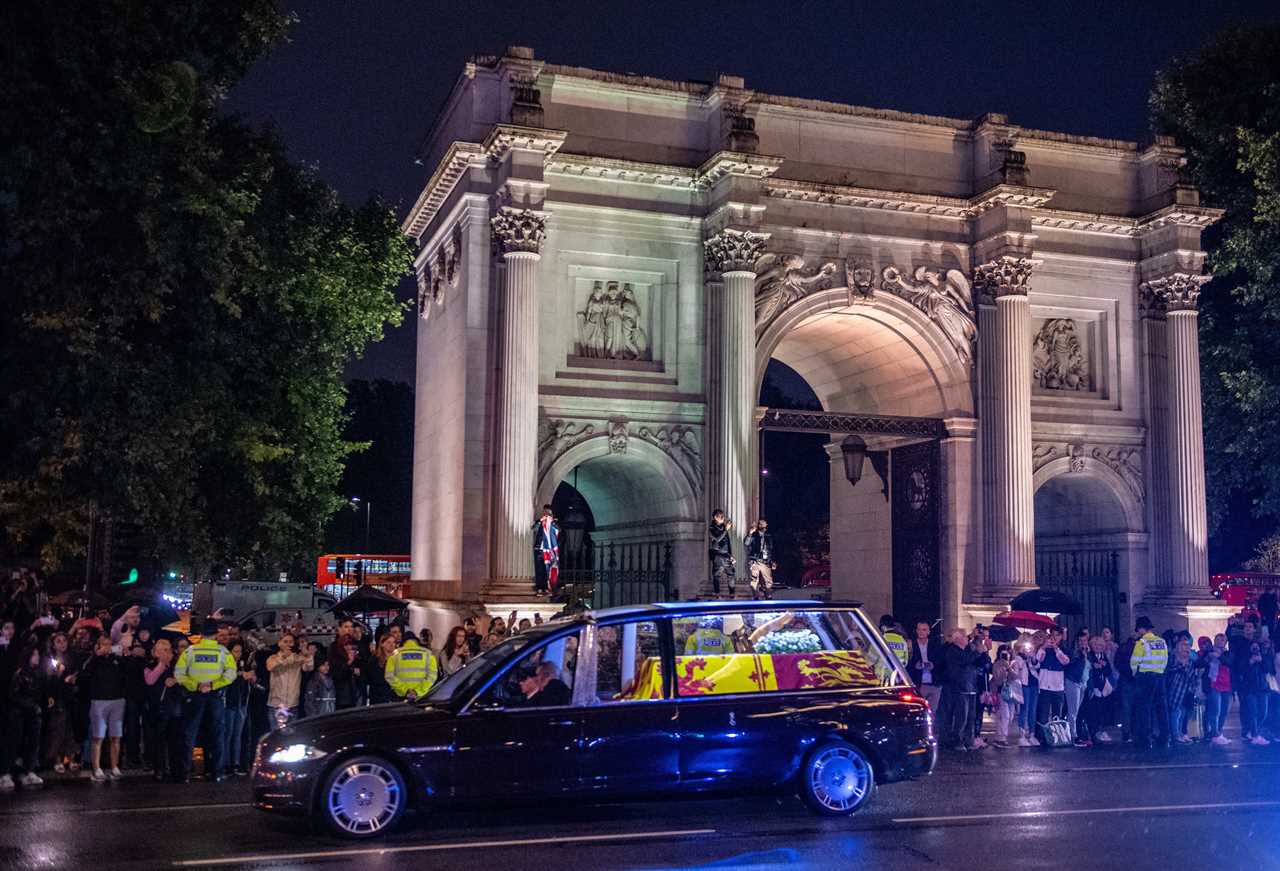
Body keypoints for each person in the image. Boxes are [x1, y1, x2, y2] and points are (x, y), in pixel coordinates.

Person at [174, 619, 237, 782]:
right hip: (215, 695)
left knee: (190, 733)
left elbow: (179, 674)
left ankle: (185, 773)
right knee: (217, 733)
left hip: (194, 696)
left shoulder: (190, 651)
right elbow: (231, 674)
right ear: (216, 634)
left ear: (201, 634)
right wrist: (213, 684)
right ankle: (217, 772)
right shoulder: (223, 652)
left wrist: (196, 685)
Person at [76, 634, 127, 781]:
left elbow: (126, 673)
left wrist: (124, 655)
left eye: (109, 644)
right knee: (98, 736)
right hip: (99, 701)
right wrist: (96, 656)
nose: (107, 647)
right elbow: (84, 672)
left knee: (116, 736)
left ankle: (114, 767)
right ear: (97, 645)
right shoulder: (94, 660)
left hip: (117, 700)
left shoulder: (116, 659)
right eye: (104, 644)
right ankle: (96, 768)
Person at [0, 644, 46, 790]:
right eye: (34, 655)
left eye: (38, 655)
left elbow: (43, 693)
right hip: (18, 715)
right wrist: (31, 706)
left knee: (33, 743)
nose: (37, 658)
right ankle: (5, 773)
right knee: (13, 743)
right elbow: (14, 695)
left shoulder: (39, 673)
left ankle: (29, 770)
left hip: (34, 715)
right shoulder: (20, 674)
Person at [142, 638, 182, 781]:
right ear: (156, 653)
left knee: (174, 739)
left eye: (168, 650)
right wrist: (161, 665)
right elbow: (150, 680)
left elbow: (185, 679)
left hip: (174, 706)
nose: (167, 653)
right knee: (158, 740)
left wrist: (175, 680)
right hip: (157, 707)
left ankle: (173, 768)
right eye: (163, 650)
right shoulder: (150, 665)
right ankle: (159, 768)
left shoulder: (177, 666)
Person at [940, 628, 986, 751]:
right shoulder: (953, 651)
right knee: (961, 717)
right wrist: (977, 652)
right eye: (965, 637)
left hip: (970, 686)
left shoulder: (967, 649)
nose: (967, 639)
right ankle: (957, 741)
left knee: (971, 717)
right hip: (960, 688)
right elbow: (966, 660)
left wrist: (982, 651)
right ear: (958, 639)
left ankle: (969, 741)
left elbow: (977, 662)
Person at [1130, 616, 1170, 749]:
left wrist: (1136, 674)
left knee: (1145, 709)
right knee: (1161, 709)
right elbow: (1165, 660)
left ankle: (1146, 739)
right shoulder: (1162, 641)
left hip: (1145, 678)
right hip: (1160, 677)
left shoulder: (1141, 643)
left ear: (1141, 629)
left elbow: (1134, 662)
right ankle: (1165, 737)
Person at [1231, 619, 1271, 746]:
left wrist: (1261, 659)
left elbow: (1268, 668)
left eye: (1250, 626)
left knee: (1262, 712)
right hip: (1247, 685)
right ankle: (1254, 734)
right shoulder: (1240, 646)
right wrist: (1250, 662)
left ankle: (1252, 731)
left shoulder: (1260, 648)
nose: (1248, 629)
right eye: (1246, 626)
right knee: (1251, 711)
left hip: (1262, 686)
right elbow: (1238, 666)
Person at [266, 632, 313, 722]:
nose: (288, 644)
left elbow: (309, 668)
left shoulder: (298, 658)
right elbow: (270, 667)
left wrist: (307, 655)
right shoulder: (273, 657)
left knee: (292, 734)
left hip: (293, 704)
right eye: (285, 641)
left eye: (290, 642)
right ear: (279, 643)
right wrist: (283, 657)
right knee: (277, 734)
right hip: (277, 704)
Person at [1034, 629, 1070, 746]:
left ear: (1061, 637)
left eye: (1057, 635)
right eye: (1052, 635)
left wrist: (1056, 649)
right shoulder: (1043, 649)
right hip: (1044, 686)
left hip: (1058, 686)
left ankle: (1056, 736)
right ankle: (1042, 737)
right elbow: (1038, 659)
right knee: (1043, 714)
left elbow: (1065, 661)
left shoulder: (1062, 650)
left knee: (1056, 714)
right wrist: (1044, 646)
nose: (1054, 638)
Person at [1078, 636, 1115, 747]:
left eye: (1100, 646)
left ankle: (1098, 731)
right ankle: (1091, 734)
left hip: (1102, 688)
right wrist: (1096, 667)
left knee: (1100, 711)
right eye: (1096, 645)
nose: (1098, 647)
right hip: (1092, 687)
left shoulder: (1104, 656)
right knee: (1090, 712)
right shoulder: (1090, 656)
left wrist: (1103, 666)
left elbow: (1108, 671)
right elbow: (1088, 670)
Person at [990, 643, 1024, 749]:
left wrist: (1008, 667)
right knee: (1005, 715)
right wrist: (1002, 666)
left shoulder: (1012, 663)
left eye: (1009, 651)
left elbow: (1015, 676)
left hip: (1011, 692)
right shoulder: (997, 664)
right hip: (1001, 692)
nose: (1007, 654)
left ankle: (999, 736)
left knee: (1010, 716)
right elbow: (997, 679)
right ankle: (1001, 738)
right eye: (1004, 652)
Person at [384, 633, 438, 700]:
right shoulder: (429, 656)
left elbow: (389, 676)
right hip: (421, 697)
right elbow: (432, 676)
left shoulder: (394, 657)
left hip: (400, 697)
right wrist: (417, 691)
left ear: (403, 643)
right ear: (417, 642)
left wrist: (405, 690)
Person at [1165, 636, 1197, 744]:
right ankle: (1175, 735)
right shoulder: (1172, 659)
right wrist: (1181, 666)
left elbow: (1192, 675)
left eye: (1188, 645)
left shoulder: (1191, 661)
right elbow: (1168, 671)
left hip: (1186, 690)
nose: (1186, 648)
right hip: (1174, 690)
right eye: (1183, 645)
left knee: (1183, 712)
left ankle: (1181, 733)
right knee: (1175, 712)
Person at [906, 620, 944, 709]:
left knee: (933, 712)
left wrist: (933, 665)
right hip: (919, 683)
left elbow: (941, 662)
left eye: (924, 630)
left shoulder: (935, 645)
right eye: (919, 630)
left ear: (928, 631)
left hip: (934, 683)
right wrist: (915, 665)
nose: (921, 632)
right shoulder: (912, 644)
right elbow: (906, 662)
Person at [1204, 633, 1233, 745]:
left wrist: (1219, 656)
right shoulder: (1209, 653)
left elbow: (1230, 663)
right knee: (1215, 710)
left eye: (1223, 639)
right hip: (1213, 684)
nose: (1221, 641)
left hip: (1226, 685)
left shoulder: (1228, 653)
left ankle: (1219, 733)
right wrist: (1208, 657)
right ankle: (1215, 734)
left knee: (1224, 711)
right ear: (1214, 641)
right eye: (1218, 639)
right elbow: (1200, 663)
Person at [1064, 628, 1090, 740]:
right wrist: (1081, 654)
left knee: (1077, 710)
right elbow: (1071, 664)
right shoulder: (1074, 653)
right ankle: (1072, 735)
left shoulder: (1088, 653)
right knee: (1073, 710)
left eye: (1084, 640)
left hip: (1083, 683)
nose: (1082, 643)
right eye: (1080, 641)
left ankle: (1074, 733)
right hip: (1073, 682)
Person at [743, 520, 776, 599]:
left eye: (763, 523)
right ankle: (756, 596)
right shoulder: (754, 535)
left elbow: (772, 550)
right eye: (760, 524)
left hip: (766, 561)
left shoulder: (769, 536)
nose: (761, 525)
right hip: (755, 560)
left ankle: (768, 596)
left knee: (768, 581)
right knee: (754, 580)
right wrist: (750, 533)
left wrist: (773, 561)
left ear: (766, 525)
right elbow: (746, 543)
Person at [532, 505, 560, 596]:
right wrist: (540, 521)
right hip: (540, 549)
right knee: (540, 569)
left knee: (548, 570)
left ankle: (548, 588)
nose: (546, 515)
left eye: (548, 513)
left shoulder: (554, 523)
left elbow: (559, 530)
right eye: (544, 513)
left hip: (550, 551)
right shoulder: (540, 522)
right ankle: (540, 588)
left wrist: (552, 522)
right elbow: (534, 528)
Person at [707, 509, 735, 598]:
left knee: (731, 574)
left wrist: (731, 555)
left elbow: (728, 543)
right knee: (717, 575)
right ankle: (717, 593)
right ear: (715, 517)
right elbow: (717, 539)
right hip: (718, 554)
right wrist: (726, 530)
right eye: (720, 516)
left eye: (723, 516)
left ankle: (732, 593)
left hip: (726, 555)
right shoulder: (712, 528)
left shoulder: (723, 527)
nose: (723, 518)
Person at [367, 634, 398, 704]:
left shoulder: (397, 659)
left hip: (394, 697)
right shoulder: (375, 660)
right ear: (382, 644)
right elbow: (374, 678)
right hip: (378, 697)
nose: (392, 645)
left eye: (394, 642)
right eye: (388, 642)